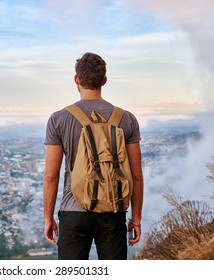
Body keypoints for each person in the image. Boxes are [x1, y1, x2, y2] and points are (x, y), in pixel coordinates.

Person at [43, 52, 144, 260]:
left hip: (74, 211)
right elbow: (136, 175)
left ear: (76, 80)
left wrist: (48, 217)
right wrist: (136, 217)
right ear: (104, 80)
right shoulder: (127, 119)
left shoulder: (59, 119)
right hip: (113, 209)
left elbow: (51, 176)